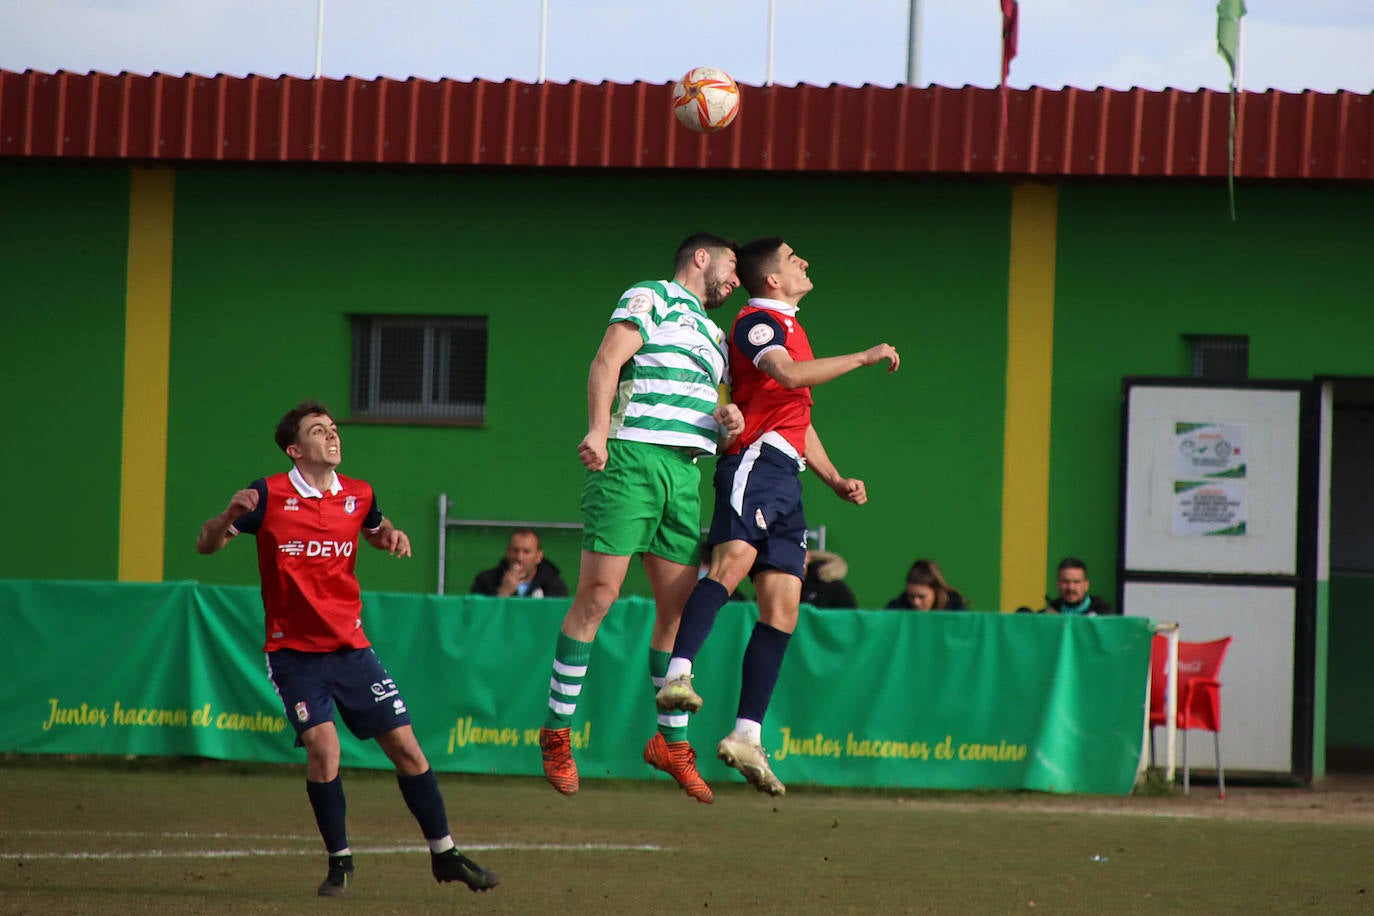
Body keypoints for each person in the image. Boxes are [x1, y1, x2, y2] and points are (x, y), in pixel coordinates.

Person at [196, 400, 498, 897]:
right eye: (319, 431)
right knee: (323, 747)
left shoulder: (358, 494)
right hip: (293, 653)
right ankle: (340, 864)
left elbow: (376, 529)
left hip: (351, 649)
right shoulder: (267, 495)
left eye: (334, 429)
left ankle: (445, 855)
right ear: (296, 449)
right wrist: (228, 515)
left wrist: (393, 536)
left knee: (406, 748)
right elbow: (207, 545)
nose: (332, 436)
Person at [655, 236, 900, 796]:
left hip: (788, 475)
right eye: (794, 259)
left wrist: (834, 477)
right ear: (771, 279)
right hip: (755, 464)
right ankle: (677, 674)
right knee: (732, 561)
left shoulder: (791, 327)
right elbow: (789, 377)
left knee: (784, 607)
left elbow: (796, 413)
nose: (805, 263)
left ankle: (746, 734)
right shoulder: (755, 323)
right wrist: (863, 357)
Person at [537, 232, 745, 805]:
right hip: (630, 459)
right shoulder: (650, 296)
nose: (735, 280)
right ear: (700, 258)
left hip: (685, 475)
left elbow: (715, 406)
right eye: (730, 267)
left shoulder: (716, 335)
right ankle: (556, 734)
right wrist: (599, 430)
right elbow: (607, 360)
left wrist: (728, 420)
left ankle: (671, 745)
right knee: (599, 596)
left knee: (676, 614)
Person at [469, 528, 569, 598]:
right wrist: (503, 593)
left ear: (539, 557)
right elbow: (478, 621)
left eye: (526, 552)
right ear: (507, 552)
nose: (519, 558)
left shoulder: (554, 586)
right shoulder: (486, 581)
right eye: (515, 550)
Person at [885, 559, 967, 611]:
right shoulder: (897, 608)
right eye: (911, 596)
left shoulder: (954, 608)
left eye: (922, 597)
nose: (916, 602)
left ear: (936, 591)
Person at [1041, 557, 1113, 615]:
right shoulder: (1048, 615)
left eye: (1076, 582)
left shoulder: (1103, 616)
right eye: (1065, 582)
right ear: (1058, 584)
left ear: (1086, 585)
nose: (1071, 587)